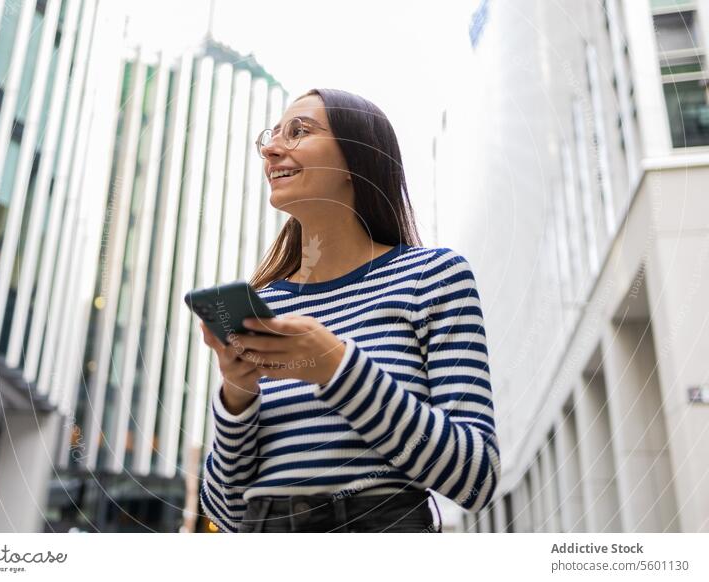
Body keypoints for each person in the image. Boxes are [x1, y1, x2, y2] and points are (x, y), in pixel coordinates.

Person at [197, 88, 500, 533]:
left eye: (298, 131)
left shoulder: (434, 277)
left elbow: (476, 478)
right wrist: (237, 396)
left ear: (357, 159)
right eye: (271, 136)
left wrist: (336, 367)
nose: (271, 148)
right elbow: (226, 513)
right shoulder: (267, 307)